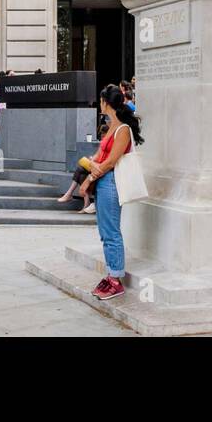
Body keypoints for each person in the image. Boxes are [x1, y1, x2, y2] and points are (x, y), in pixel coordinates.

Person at [81, 84, 143, 301]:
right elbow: (99, 158)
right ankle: (111, 274)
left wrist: (90, 176)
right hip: (104, 182)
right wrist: (91, 166)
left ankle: (116, 279)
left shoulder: (123, 130)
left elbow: (110, 162)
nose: (100, 105)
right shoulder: (111, 128)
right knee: (105, 232)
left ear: (106, 103)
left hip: (111, 182)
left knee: (111, 232)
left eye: (101, 101)